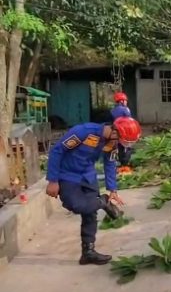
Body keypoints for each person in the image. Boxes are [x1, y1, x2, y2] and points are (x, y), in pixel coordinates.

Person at [45, 117, 142, 265]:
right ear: (114, 131)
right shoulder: (83, 132)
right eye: (122, 140)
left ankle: (88, 252)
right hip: (68, 175)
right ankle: (103, 202)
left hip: (88, 176)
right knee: (77, 205)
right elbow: (57, 151)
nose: (120, 145)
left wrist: (112, 189)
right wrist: (53, 180)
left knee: (90, 213)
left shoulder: (112, 142)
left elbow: (109, 162)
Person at [111, 92, 134, 174]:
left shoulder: (112, 110)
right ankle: (126, 164)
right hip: (125, 131)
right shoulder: (125, 109)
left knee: (119, 147)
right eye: (125, 100)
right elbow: (129, 120)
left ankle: (121, 164)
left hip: (116, 131)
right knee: (128, 147)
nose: (126, 102)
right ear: (121, 101)